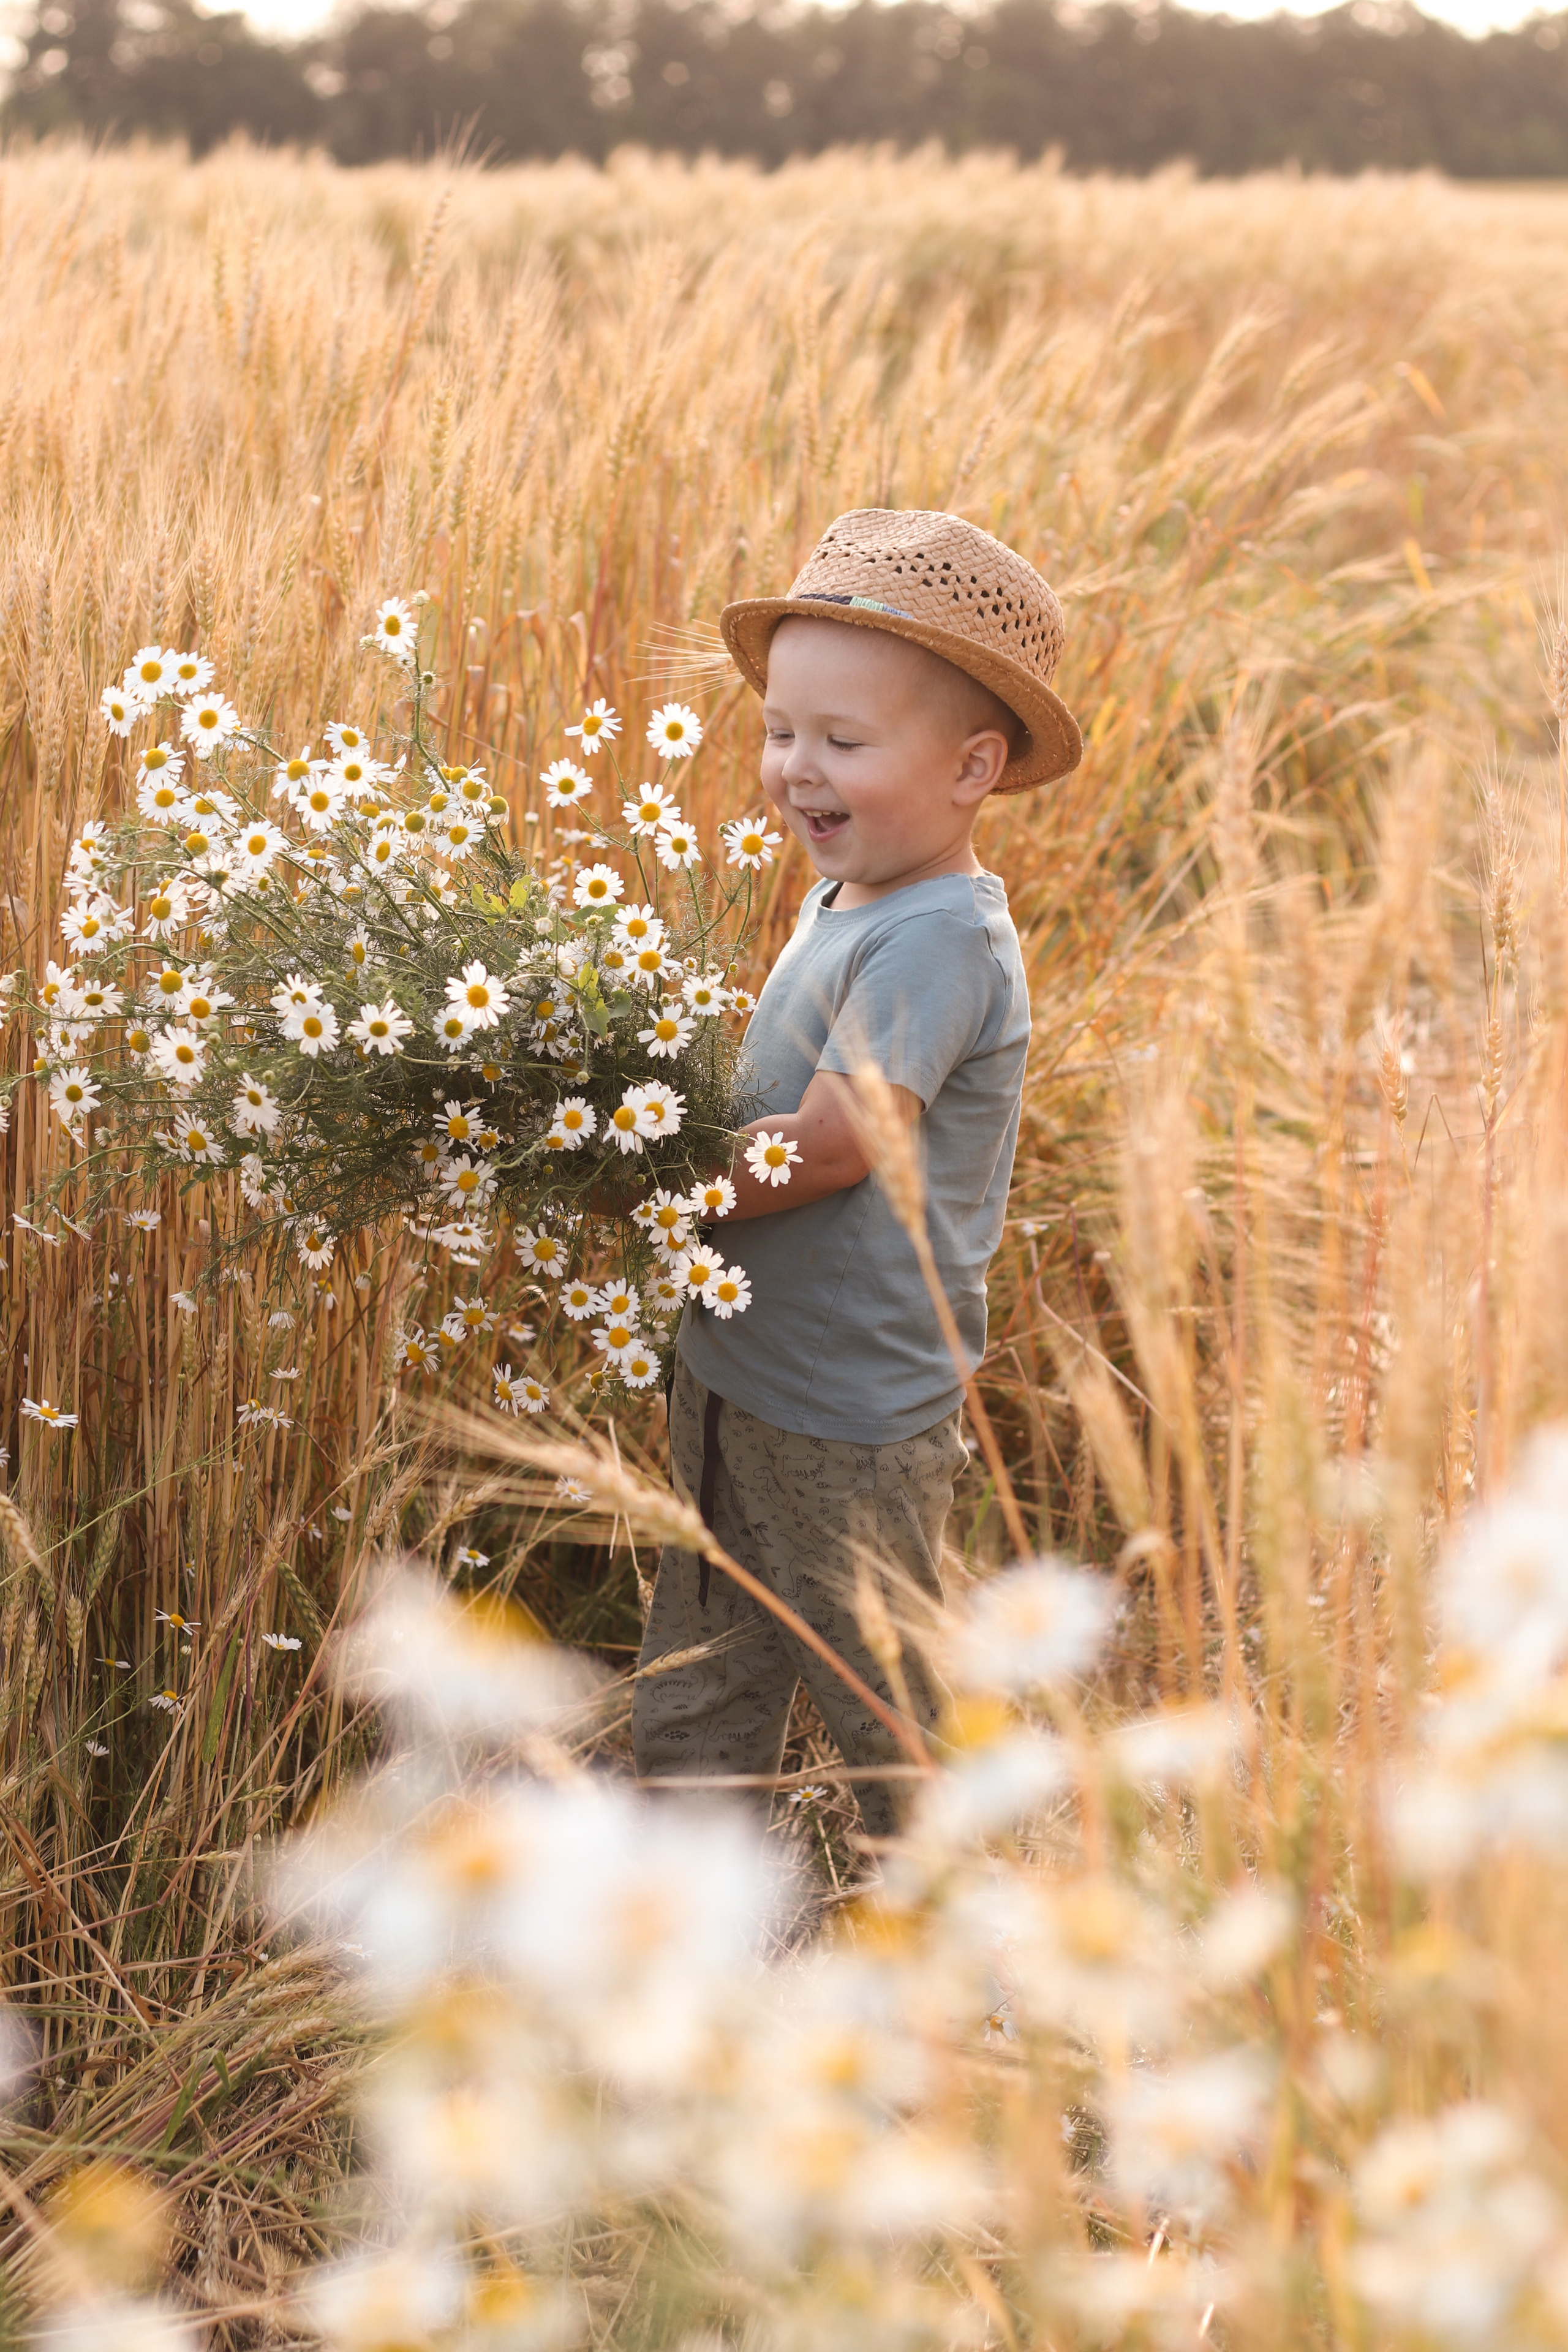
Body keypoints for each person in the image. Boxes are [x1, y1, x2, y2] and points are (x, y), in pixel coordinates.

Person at [631, 508, 1082, 1841]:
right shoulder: (855, 895)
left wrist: (648, 1168)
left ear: (970, 768)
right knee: (702, 1659)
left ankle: (955, 1929)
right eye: (780, 732)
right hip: (738, 1370)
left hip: (847, 1410)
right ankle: (689, 1900)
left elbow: (835, 1145)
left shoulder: (939, 939)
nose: (793, 769)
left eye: (842, 742)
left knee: (878, 1682)